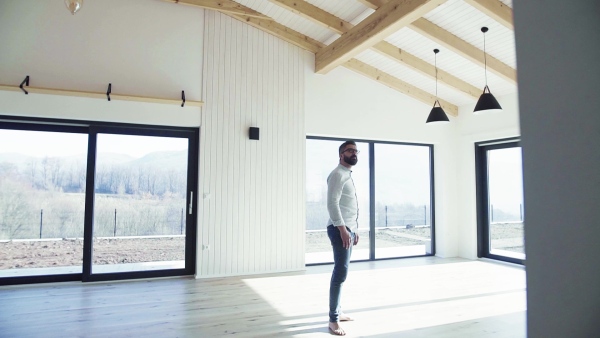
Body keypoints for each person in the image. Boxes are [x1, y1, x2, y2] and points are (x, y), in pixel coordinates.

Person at [326, 140, 360, 336]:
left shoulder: (347, 174)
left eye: (356, 151)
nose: (354, 153)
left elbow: (349, 205)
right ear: (341, 154)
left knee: (342, 274)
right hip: (340, 230)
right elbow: (332, 204)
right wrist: (343, 230)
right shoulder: (338, 174)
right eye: (350, 150)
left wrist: (354, 230)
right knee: (340, 274)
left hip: (348, 229)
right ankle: (333, 320)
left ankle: (337, 311)